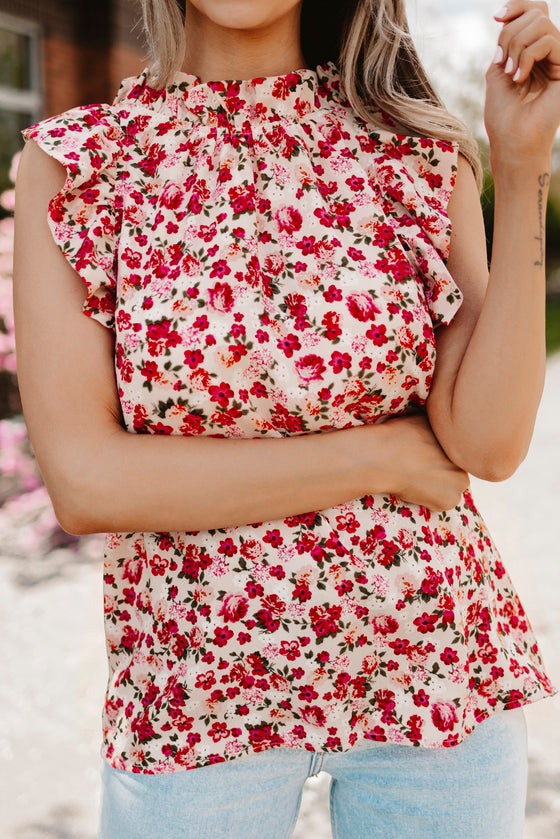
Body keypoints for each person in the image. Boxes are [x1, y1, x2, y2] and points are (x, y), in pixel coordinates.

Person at [12, 0, 560, 836]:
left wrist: (521, 171)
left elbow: (485, 443)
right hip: (196, 696)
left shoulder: (418, 152)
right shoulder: (80, 165)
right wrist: (382, 457)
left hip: (433, 674)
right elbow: (88, 481)